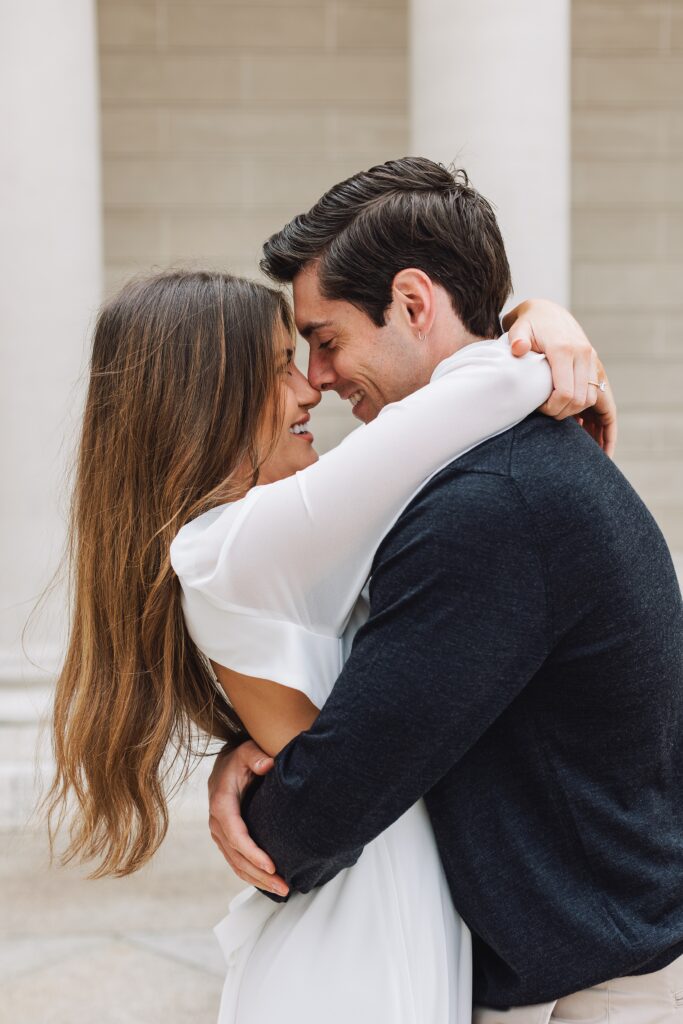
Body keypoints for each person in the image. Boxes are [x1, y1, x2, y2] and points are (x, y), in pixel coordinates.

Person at [45, 240, 603, 1023]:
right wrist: (540, 327)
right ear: (210, 398)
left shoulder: (250, 542)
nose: (310, 387)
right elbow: (484, 391)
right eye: (280, 364)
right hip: (348, 947)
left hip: (373, 906)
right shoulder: (236, 546)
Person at [207, 158, 683, 1024]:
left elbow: (334, 802)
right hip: (580, 957)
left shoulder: (491, 503)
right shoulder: (498, 462)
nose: (318, 378)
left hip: (587, 992)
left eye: (326, 340)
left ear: (415, 304)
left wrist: (252, 806)